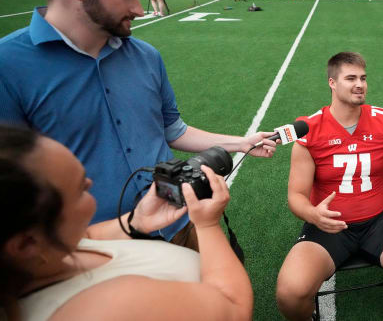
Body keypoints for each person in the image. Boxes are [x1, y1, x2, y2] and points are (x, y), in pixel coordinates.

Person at [0, 0, 277, 249]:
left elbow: (172, 130)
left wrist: (241, 142)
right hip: (91, 248)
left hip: (177, 222)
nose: (137, 8)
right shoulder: (8, 66)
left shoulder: (146, 56)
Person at [0, 125, 253, 321]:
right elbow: (233, 309)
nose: (90, 184)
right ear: (26, 244)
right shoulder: (104, 308)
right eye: (80, 190)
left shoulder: (44, 258)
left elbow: (89, 237)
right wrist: (207, 226)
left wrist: (135, 222)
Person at [275, 52, 383, 321]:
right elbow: (296, 196)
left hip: (378, 223)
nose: (360, 84)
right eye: (351, 78)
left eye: (363, 78)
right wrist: (313, 215)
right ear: (332, 83)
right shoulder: (310, 130)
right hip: (329, 226)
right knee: (290, 293)